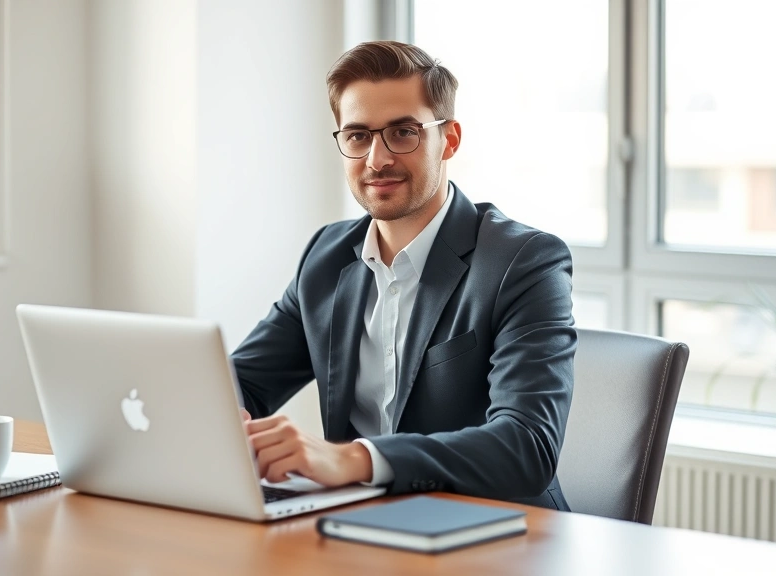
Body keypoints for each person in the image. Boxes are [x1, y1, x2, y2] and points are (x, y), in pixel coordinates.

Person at [232, 41, 577, 510]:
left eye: (403, 133)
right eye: (357, 136)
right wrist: (221, 417)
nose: (377, 159)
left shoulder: (524, 261)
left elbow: (526, 446)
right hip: (357, 524)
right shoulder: (326, 257)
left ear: (449, 139)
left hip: (495, 532)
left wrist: (358, 460)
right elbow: (242, 380)